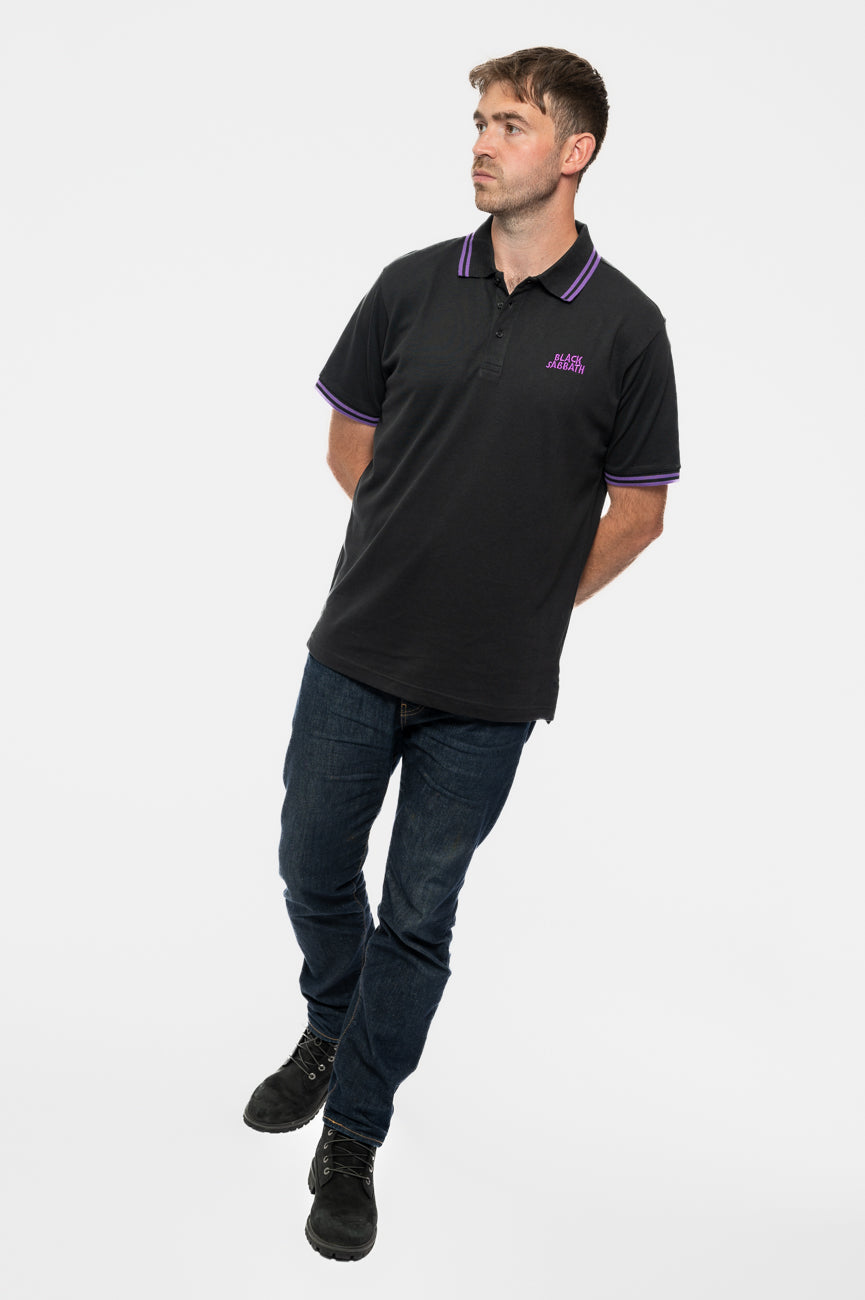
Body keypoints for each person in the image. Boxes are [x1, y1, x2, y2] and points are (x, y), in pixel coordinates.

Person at [243, 46, 680, 1261]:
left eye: (511, 125)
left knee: (419, 910)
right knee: (310, 862)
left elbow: (639, 513)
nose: (482, 143)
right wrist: (415, 549)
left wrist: (524, 604)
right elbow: (348, 442)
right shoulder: (408, 285)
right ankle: (335, 1020)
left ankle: (354, 1134)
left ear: (575, 151)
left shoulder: (627, 327)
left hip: (488, 691)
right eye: (479, 121)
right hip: (357, 648)